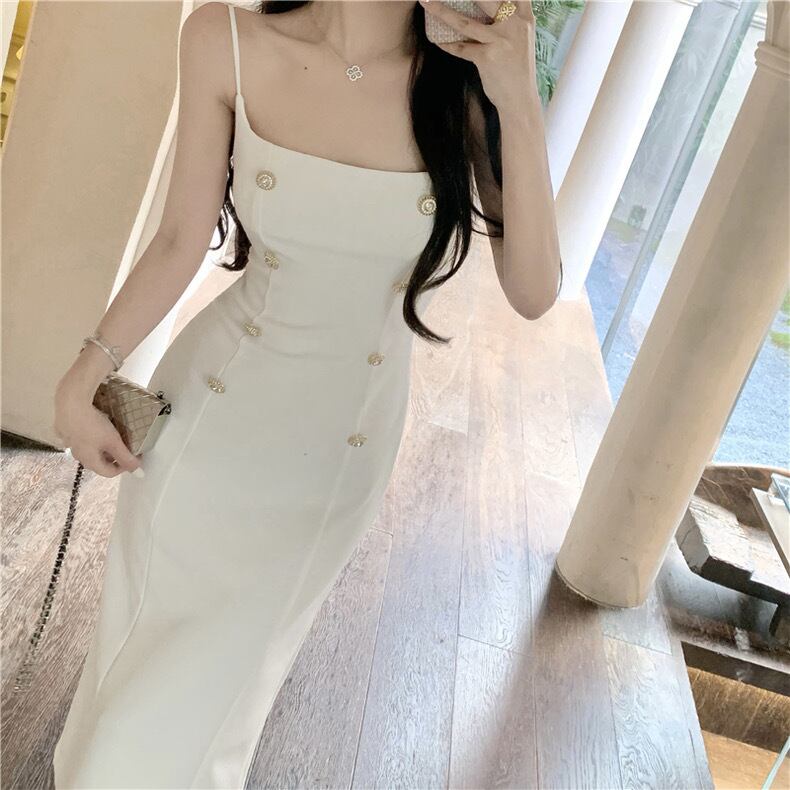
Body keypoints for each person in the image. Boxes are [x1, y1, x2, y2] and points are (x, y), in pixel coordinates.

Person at [51, 1, 561, 786]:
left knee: (223, 697)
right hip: (207, 425)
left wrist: (518, 99)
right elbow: (180, 238)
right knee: (135, 672)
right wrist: (84, 374)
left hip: (334, 455)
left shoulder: (464, 89)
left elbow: (533, 290)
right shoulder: (224, 39)